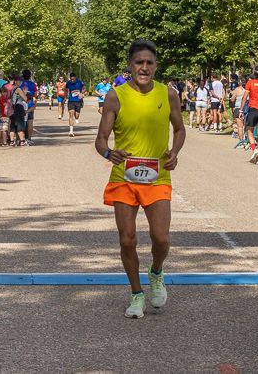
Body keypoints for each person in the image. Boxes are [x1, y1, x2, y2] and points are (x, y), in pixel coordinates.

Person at [95, 40, 185, 319]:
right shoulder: (115, 96)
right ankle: (136, 294)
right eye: (139, 63)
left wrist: (175, 152)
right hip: (124, 177)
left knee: (160, 239)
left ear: (156, 66)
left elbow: (180, 129)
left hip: (157, 177)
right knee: (127, 239)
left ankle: (156, 271)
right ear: (130, 66)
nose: (144, 67)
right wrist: (110, 153)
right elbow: (100, 140)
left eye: (149, 63)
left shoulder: (168, 94)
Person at [20, 69, 36, 144]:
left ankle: (21, 138)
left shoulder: (20, 84)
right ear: (30, 76)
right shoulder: (33, 84)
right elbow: (35, 95)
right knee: (30, 122)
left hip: (21, 104)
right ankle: (29, 139)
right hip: (30, 104)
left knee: (21, 122)